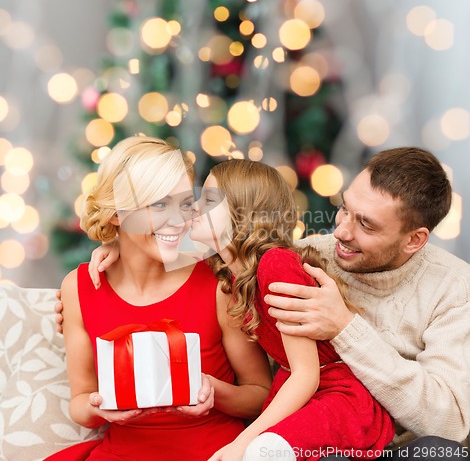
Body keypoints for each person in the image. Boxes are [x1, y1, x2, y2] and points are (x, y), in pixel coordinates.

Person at [86, 159, 395, 461]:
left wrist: (242, 441)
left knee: (259, 452)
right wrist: (114, 246)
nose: (192, 208)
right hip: (302, 395)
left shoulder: (275, 264)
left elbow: (306, 375)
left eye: (208, 200)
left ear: (240, 213)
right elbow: (153, 250)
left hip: (336, 396)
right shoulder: (227, 268)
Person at [47, 136, 272, 461]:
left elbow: (260, 394)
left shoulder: (217, 281)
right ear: (115, 213)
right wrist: (101, 408)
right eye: (158, 204)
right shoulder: (79, 288)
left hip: (213, 452)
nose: (178, 220)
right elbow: (80, 403)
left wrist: (211, 389)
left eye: (184, 203)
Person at [264, 147, 470, 460]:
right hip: (315, 439)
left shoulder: (454, 286)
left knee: (441, 453)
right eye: (344, 208)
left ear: (413, 240)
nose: (341, 231)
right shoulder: (305, 257)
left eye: (367, 225)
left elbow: (449, 424)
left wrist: (345, 328)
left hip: (399, 451)